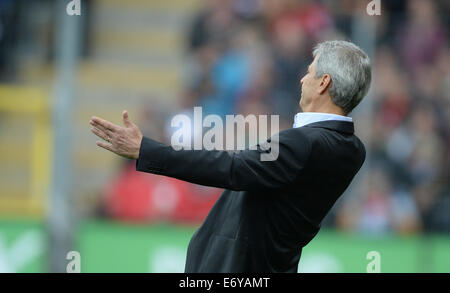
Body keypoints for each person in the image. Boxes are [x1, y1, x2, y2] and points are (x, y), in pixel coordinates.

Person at [90, 40, 371, 273]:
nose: (302, 78)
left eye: (309, 72)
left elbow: (231, 167)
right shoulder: (352, 149)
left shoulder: (302, 143)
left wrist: (145, 150)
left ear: (324, 83)